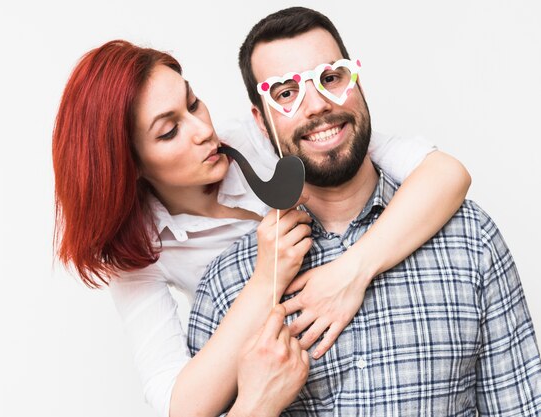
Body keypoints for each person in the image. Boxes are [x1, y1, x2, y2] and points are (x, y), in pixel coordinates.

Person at [52, 40, 471, 417]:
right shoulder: (138, 255)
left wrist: (351, 272)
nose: (203, 131)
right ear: (131, 165)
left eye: (194, 103)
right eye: (169, 131)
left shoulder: (258, 135)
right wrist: (266, 275)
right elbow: (180, 406)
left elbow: (443, 173)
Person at [187, 7, 541, 416]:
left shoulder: (470, 238)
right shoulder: (227, 285)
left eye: (330, 78)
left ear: (356, 82)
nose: (316, 105)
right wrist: (255, 404)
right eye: (286, 93)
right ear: (261, 123)